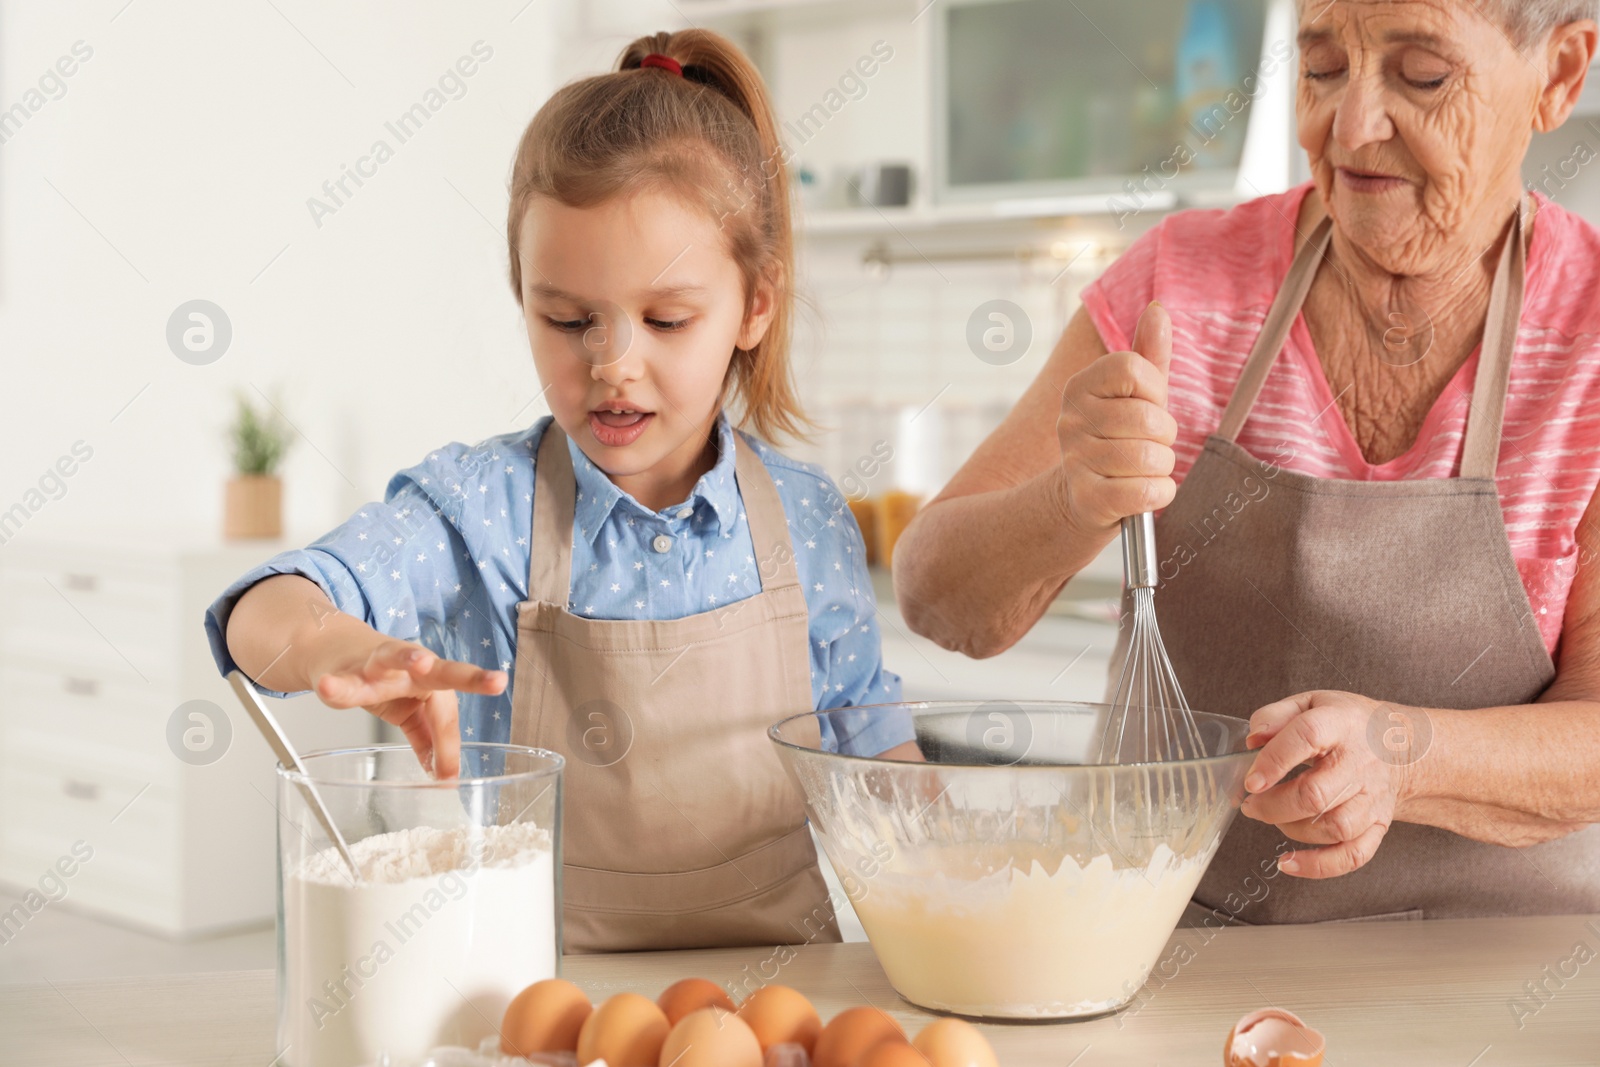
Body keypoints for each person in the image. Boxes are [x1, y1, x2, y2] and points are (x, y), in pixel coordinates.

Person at [206, 29, 911, 952]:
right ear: (523, 297)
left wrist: (956, 875)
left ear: (755, 305)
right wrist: (336, 644)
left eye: (666, 319)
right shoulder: (480, 510)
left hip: (775, 1014)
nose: (613, 365)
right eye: (568, 318)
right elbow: (261, 612)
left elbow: (878, 757)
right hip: (540, 1005)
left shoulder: (809, 518)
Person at [893, 0, 1600, 921]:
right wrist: (1072, 498)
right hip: (1165, 956)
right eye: (1320, 68)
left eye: (1421, 75)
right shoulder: (1178, 288)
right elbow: (937, 594)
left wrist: (1405, 755)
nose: (1349, 127)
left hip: (1492, 991)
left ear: (1558, 75)